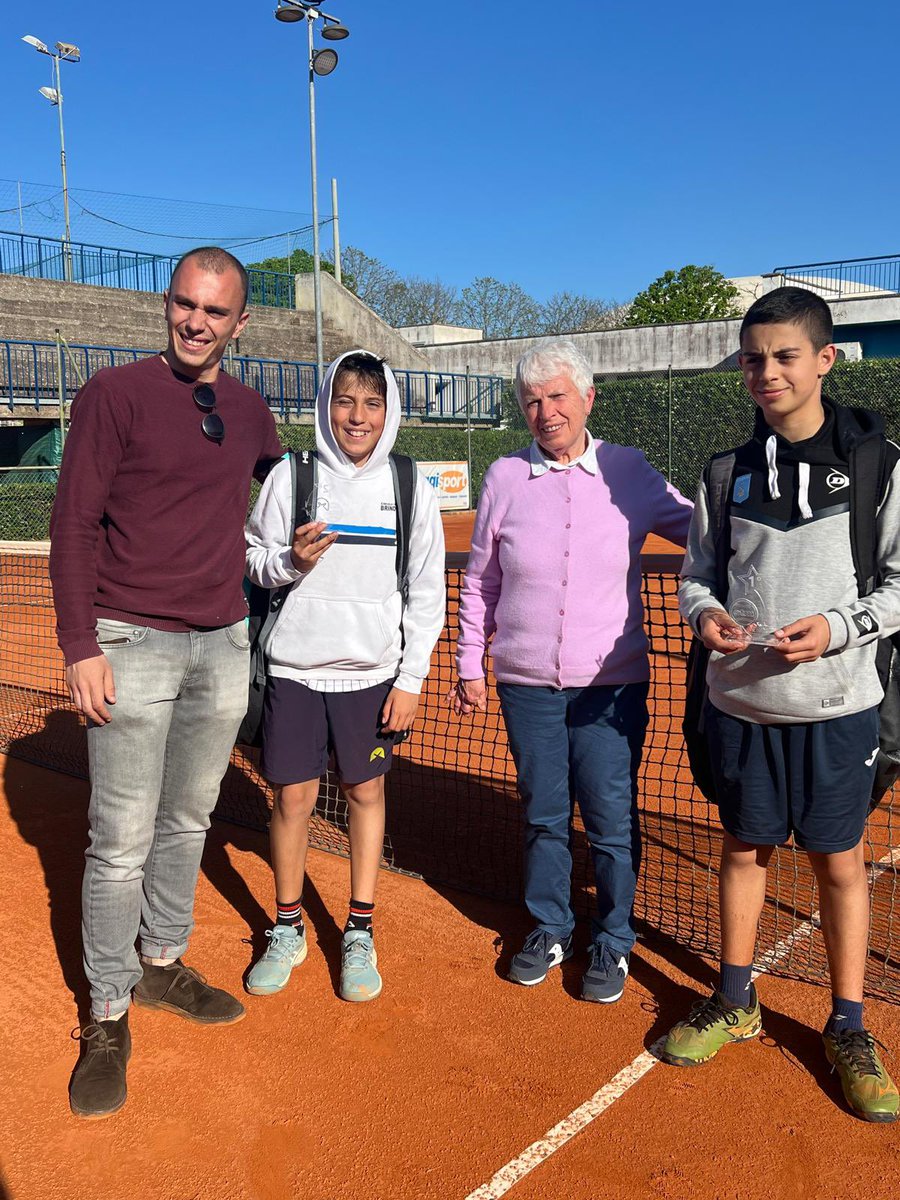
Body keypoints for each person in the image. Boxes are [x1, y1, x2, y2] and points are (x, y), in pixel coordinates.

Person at [49, 246, 283, 1119]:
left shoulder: (253, 412)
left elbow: (285, 495)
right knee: (119, 842)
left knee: (188, 820)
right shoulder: (112, 397)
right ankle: (107, 1013)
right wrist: (81, 645)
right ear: (167, 304)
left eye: (215, 312)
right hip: (130, 642)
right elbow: (72, 524)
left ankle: (160, 965)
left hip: (222, 646)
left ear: (240, 323)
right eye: (185, 304)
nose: (196, 322)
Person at [664, 287, 899, 1123]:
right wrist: (707, 617)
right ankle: (735, 999)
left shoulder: (880, 464)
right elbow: (696, 575)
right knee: (742, 851)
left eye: (785, 356)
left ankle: (847, 1026)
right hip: (744, 709)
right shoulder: (724, 471)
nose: (767, 372)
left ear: (826, 360)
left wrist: (837, 629)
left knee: (840, 864)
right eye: (755, 359)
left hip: (839, 708)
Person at [452, 340, 692, 1001]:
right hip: (526, 684)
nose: (545, 411)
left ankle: (613, 941)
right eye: (532, 400)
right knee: (544, 813)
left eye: (557, 396)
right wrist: (471, 661)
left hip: (610, 686)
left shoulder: (629, 471)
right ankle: (551, 926)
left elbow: (701, 529)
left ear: (587, 398)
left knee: (611, 818)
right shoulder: (503, 478)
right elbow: (480, 582)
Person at [243, 350, 445, 1003]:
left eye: (372, 403)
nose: (357, 417)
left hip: (373, 678)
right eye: (346, 400)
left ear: (388, 412)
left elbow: (427, 592)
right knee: (292, 801)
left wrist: (411, 678)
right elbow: (253, 559)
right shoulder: (289, 476)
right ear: (327, 403)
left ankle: (358, 930)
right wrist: (287, 560)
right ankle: (287, 925)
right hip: (295, 672)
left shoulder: (409, 485)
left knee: (364, 796)